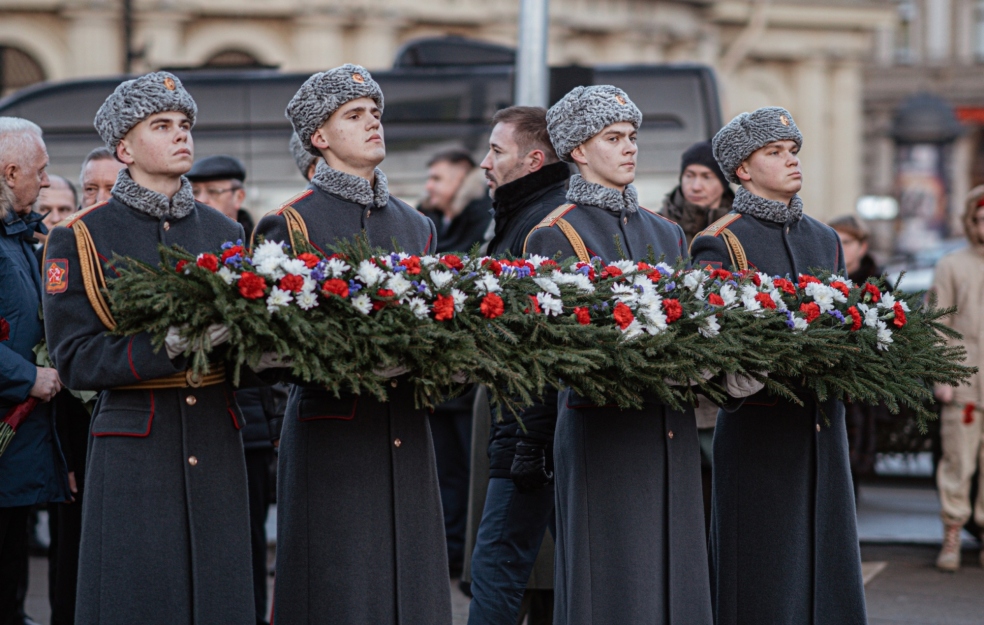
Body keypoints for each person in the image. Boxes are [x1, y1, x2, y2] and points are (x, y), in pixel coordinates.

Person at [42, 72, 255, 625]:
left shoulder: (225, 232)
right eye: (161, 125)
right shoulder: (81, 236)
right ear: (125, 149)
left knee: (220, 597)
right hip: (137, 447)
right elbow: (75, 358)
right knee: (138, 598)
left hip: (214, 435)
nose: (181, 134)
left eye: (184, 124)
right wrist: (172, 345)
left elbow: (247, 355)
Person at [254, 64, 450, 625]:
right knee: (337, 589)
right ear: (319, 136)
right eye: (355, 115)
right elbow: (272, 347)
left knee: (411, 587)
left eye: (375, 113)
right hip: (333, 435)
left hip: (406, 428)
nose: (373, 123)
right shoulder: (290, 224)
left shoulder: (417, 225)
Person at [523, 85, 712, 625]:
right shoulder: (554, 233)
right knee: (611, 581)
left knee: (677, 574)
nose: (630, 146)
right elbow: (556, 347)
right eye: (613, 137)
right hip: (602, 430)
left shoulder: (667, 232)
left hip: (669, 426)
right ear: (578, 150)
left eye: (631, 136)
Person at [691, 107, 866, 625]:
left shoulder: (824, 237)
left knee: (828, 566)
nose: (792, 160)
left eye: (793, 151)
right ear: (743, 169)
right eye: (775, 152)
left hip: (823, 428)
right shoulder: (721, 239)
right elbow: (711, 345)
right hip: (760, 433)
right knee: (762, 574)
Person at [466, 105, 570, 625]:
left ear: (533, 161)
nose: (485, 163)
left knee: (497, 569)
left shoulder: (541, 225)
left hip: (529, 432)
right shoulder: (522, 213)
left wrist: (527, 441)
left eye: (496, 151)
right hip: (531, 430)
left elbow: (540, 345)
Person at [0, 116, 69, 625]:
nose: (46, 181)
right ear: (9, 173)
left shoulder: (20, 235)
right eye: (40, 170)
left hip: (19, 445)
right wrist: (28, 377)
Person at [659, 139, 735, 532]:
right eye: (690, 175)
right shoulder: (661, 225)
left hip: (724, 380)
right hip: (673, 374)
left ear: (723, 182)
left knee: (722, 489)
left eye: (706, 176)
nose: (696, 184)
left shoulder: (736, 229)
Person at [931, 185, 984, 571]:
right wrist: (942, 376)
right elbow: (938, 323)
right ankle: (951, 533)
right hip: (963, 383)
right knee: (957, 463)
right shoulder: (952, 264)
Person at [829, 215, 886, 499]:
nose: (841, 246)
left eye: (848, 241)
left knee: (851, 473)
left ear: (862, 246)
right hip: (826, 382)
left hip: (861, 386)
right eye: (835, 239)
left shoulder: (878, 285)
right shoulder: (819, 281)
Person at [660, 140, 734, 245]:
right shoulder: (658, 227)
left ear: (724, 184)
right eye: (689, 176)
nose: (696, 187)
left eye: (706, 177)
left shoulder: (738, 228)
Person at [419, 149, 492, 254]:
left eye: (437, 179)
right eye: (429, 179)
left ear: (461, 177)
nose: (428, 186)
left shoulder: (482, 213)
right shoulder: (426, 213)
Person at [187, 155, 256, 241]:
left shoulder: (259, 246)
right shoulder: (180, 241)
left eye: (213, 191)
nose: (201, 200)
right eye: (195, 192)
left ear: (239, 197)